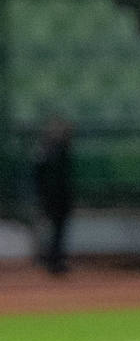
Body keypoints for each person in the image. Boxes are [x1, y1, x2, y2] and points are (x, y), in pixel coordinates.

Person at [33, 115, 74, 276]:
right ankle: (51, 259)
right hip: (51, 197)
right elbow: (39, 176)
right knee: (50, 230)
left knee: (57, 230)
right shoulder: (49, 151)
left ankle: (55, 259)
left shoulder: (59, 150)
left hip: (58, 197)